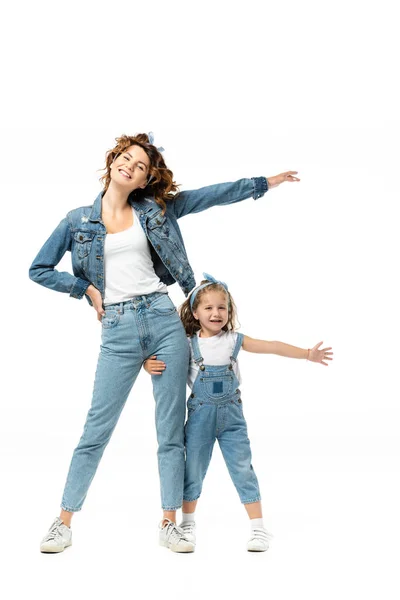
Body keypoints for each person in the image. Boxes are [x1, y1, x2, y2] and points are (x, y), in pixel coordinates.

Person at [29, 132, 300, 554]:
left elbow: (207, 196)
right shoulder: (76, 221)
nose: (130, 166)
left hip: (162, 320)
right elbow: (39, 268)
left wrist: (262, 183)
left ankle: (169, 522)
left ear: (143, 181)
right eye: (126, 158)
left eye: (140, 166)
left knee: (170, 432)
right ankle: (62, 522)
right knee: (96, 430)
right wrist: (84, 288)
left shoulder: (154, 209)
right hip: (117, 330)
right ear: (113, 161)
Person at [144, 273, 333, 551]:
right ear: (195, 312)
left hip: (232, 420)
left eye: (222, 307)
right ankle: (187, 524)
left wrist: (306, 353)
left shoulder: (234, 340)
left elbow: (272, 346)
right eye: (208, 308)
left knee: (243, 468)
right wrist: (148, 364)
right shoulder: (185, 344)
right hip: (199, 419)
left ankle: (258, 529)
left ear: (229, 311)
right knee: (192, 470)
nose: (216, 313)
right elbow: (156, 355)